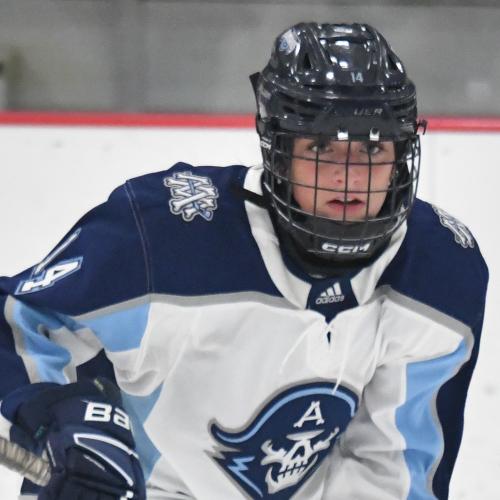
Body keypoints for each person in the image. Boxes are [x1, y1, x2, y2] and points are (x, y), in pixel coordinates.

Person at [0, 22, 488, 500]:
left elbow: (393, 474)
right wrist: (58, 416)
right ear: (279, 150)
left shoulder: (437, 274)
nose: (349, 175)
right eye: (321, 145)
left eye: (373, 147)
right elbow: (18, 323)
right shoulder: (166, 238)